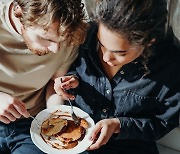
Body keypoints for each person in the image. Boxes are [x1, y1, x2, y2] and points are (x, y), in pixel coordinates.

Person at [54, 0, 180, 153]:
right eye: (101, 45)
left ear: (149, 41)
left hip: (130, 146)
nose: (106, 57)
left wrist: (120, 125)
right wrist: (71, 80)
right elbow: (74, 69)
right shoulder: (86, 34)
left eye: (120, 53)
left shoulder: (170, 66)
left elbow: (163, 122)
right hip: (75, 138)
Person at [0, 0, 88, 153]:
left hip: (31, 124)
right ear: (18, 11)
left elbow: (53, 85)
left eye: (60, 41)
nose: (55, 49)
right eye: (46, 39)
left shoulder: (68, 34)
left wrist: (55, 117)